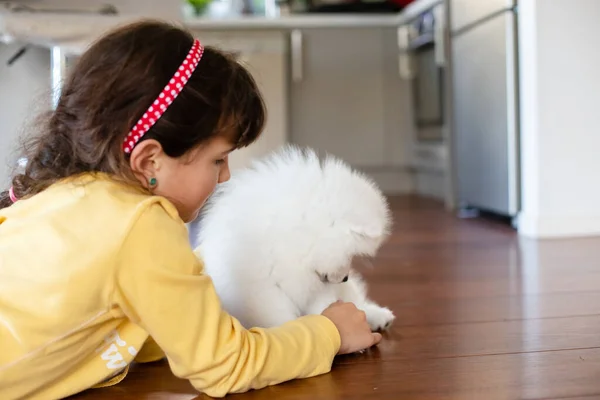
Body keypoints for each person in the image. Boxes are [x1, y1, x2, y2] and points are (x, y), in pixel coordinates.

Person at [0, 19, 382, 399]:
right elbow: (225, 366)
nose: (226, 176)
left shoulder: (66, 196)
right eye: (218, 160)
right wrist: (328, 333)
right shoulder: (139, 225)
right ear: (150, 161)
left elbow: (134, 311)